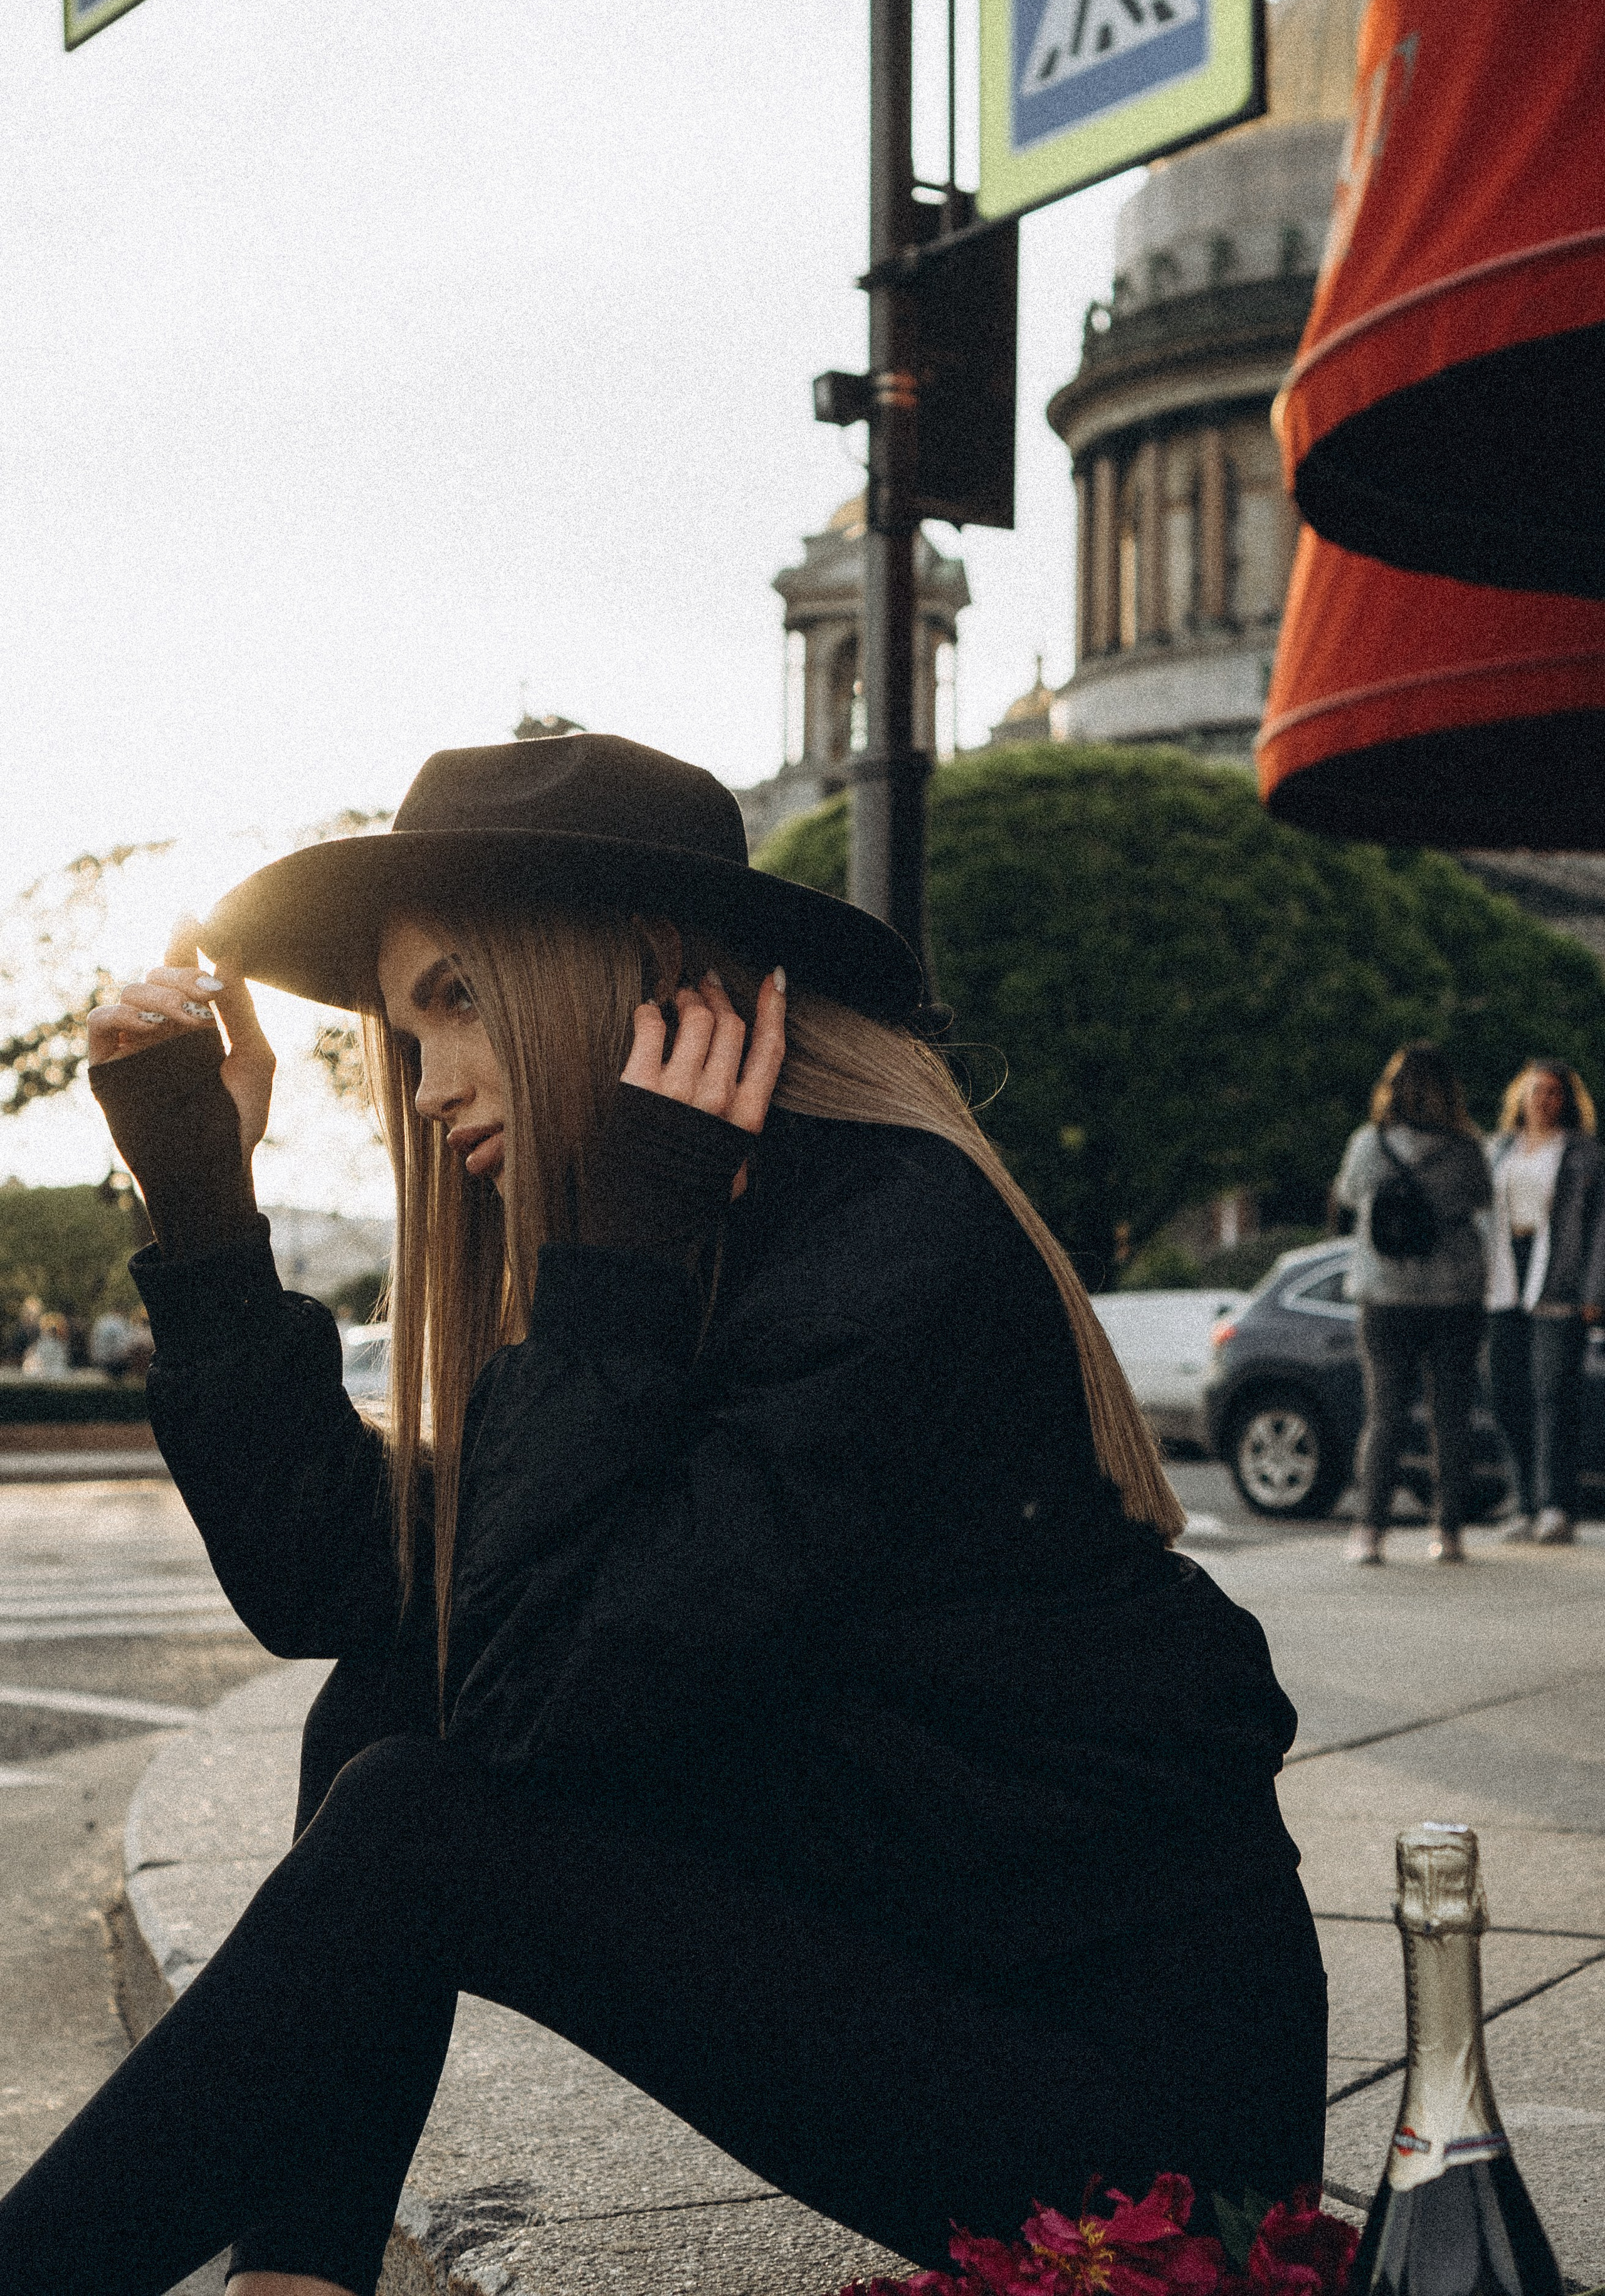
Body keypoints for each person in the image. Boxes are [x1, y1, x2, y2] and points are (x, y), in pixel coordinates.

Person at [0, 737, 1327, 2296]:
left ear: (642, 980)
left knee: (416, 1811)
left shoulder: (891, 1240)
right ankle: (293, 2281)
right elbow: (349, 1586)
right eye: (399, 1031)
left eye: (456, 1001)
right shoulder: (675, 1222)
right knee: (375, 1703)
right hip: (935, 1957)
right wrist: (204, 1207)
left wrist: (620, 1252)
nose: (427, 1091)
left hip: (1133, 2121)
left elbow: (534, 1700)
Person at [1334, 1042, 1493, 1565]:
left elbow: (1351, 1197)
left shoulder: (1367, 1145)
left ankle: (1369, 1532)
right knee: (1451, 1418)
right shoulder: (1467, 1149)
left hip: (1384, 1295)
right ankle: (1448, 1532)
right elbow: (1481, 1202)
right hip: (1455, 1295)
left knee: (1384, 1418)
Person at [1485, 1059, 1605, 1546]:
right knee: (1505, 1390)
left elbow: (1601, 1230)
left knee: (1553, 1394)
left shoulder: (1585, 1154)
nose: (1545, 1100)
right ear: (1521, 1096)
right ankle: (1524, 1501)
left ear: (1568, 1100)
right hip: (1504, 1274)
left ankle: (1557, 1505)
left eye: (1555, 1092)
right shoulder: (1498, 1151)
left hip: (1559, 1276)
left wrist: (1595, 1292)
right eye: (1537, 1091)